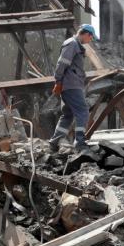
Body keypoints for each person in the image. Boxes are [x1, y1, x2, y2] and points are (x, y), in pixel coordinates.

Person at [49, 24, 97, 154]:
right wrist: (58, 80)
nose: (90, 41)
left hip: (71, 85)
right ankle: (80, 142)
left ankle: (54, 142)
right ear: (86, 34)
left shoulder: (76, 45)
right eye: (90, 38)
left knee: (68, 115)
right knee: (83, 112)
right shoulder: (72, 44)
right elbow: (62, 63)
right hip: (71, 85)